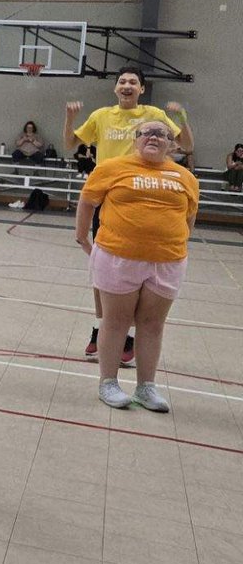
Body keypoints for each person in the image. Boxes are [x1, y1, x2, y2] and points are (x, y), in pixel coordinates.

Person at [64, 66, 193, 366]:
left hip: (143, 196)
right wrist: (70, 118)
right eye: (122, 81)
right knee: (104, 271)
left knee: (140, 272)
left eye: (133, 82)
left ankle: (129, 340)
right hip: (110, 198)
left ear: (141, 89)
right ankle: (101, 332)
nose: (126, 85)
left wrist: (181, 119)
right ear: (115, 88)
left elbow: (186, 145)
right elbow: (71, 143)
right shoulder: (101, 116)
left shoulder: (153, 115)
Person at [76, 121, 198, 411]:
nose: (155, 137)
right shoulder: (112, 168)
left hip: (168, 260)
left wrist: (171, 241)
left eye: (163, 134)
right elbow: (88, 201)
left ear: (172, 144)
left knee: (153, 325)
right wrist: (82, 236)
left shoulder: (185, 177)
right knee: (115, 321)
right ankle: (108, 382)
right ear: (136, 140)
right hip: (118, 256)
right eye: (148, 133)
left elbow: (189, 217)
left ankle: (146, 387)